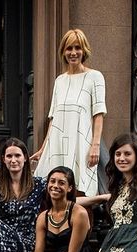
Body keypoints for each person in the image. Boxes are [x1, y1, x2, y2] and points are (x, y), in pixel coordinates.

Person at [30, 28, 107, 200]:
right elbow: (54, 118)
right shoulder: (60, 80)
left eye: (77, 48)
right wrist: (44, 148)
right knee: (52, 188)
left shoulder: (95, 77)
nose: (73, 53)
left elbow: (99, 114)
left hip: (81, 142)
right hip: (58, 143)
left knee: (79, 189)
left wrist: (95, 145)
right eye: (69, 48)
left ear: (84, 50)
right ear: (63, 52)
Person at [0, 138, 47, 252]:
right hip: (0, 237)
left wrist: (97, 198)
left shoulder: (38, 184)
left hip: (26, 241)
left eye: (17, 155)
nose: (13, 160)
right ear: (4, 160)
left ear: (25, 158)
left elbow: (64, 199)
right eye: (9, 156)